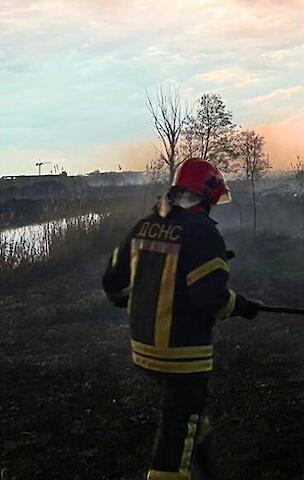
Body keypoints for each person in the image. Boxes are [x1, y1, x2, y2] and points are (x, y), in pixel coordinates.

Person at [102, 158, 262, 480]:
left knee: (186, 416)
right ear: (206, 196)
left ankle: (207, 469)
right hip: (182, 355)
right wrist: (241, 305)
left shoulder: (144, 225)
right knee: (175, 439)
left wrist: (144, 302)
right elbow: (211, 298)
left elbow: (114, 285)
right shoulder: (203, 232)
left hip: (144, 348)